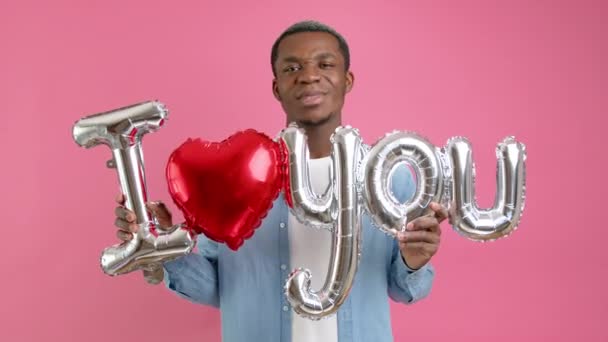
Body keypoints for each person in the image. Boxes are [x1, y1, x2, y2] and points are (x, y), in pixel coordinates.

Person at [114, 20, 447, 342]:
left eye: (325, 63)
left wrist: (413, 260)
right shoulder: (236, 178)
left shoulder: (390, 177)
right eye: (292, 68)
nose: (309, 76)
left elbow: (405, 289)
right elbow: (216, 288)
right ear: (277, 87)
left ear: (347, 80)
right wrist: (163, 247)